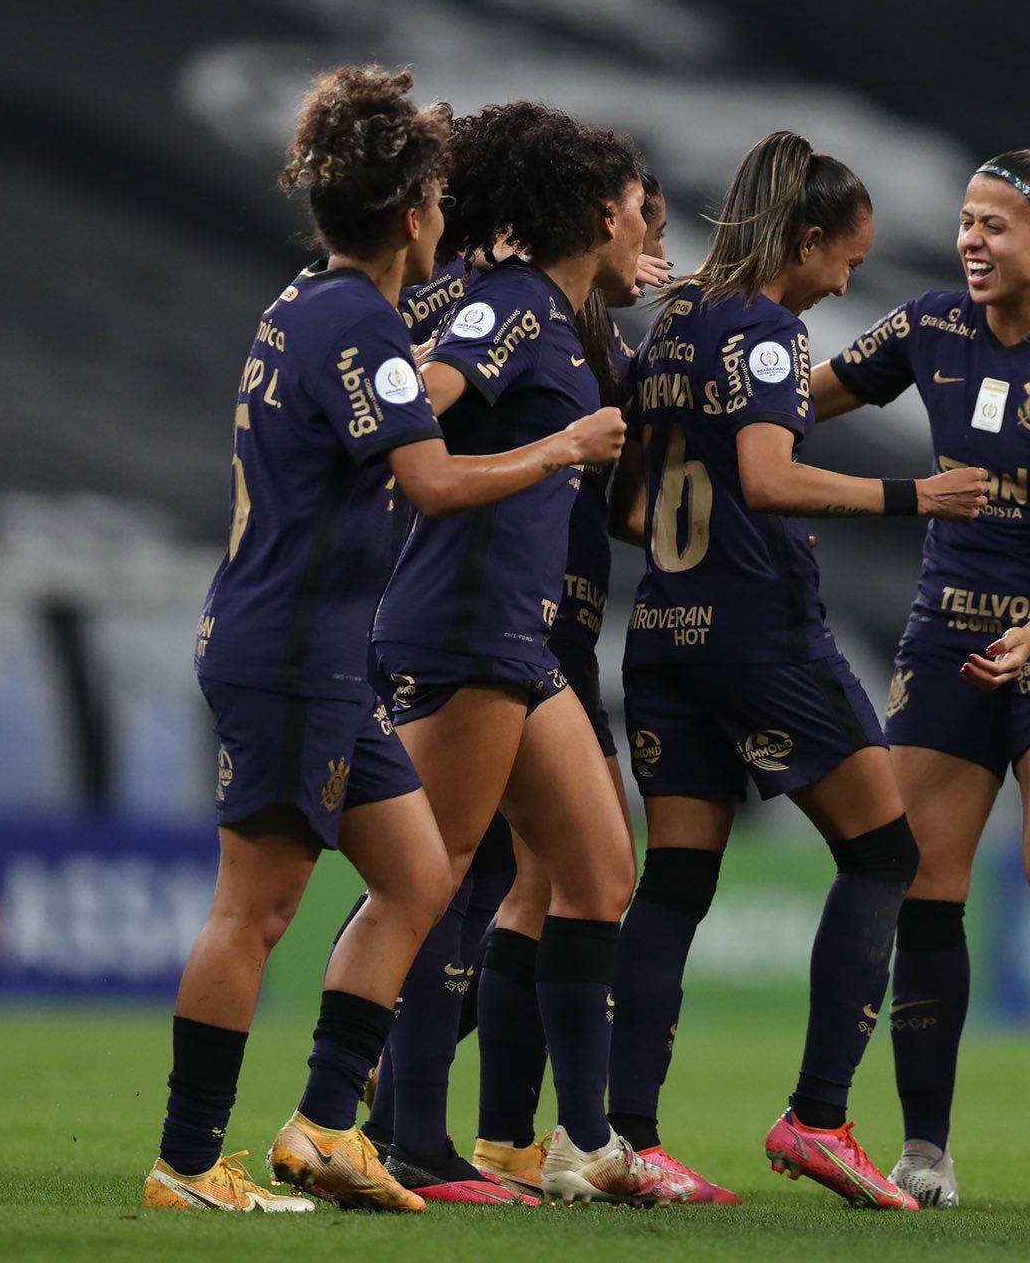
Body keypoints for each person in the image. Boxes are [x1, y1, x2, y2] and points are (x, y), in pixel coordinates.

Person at [145, 66, 624, 1214]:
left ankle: (326, 1125)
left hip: (319, 650)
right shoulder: (357, 322)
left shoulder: (305, 302)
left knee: (416, 875)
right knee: (252, 908)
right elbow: (432, 479)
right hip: (293, 649)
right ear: (415, 212)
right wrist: (557, 451)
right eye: (435, 202)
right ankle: (186, 1160)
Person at [604, 130, 989, 1211]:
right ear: (807, 240)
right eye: (845, 263)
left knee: (672, 883)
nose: (842, 284)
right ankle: (818, 1117)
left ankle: (629, 1139)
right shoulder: (766, 336)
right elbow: (771, 480)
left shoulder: (675, 319)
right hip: (760, 642)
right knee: (884, 856)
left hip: (664, 635)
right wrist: (916, 496)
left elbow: (629, 505)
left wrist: (709, 526)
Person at [808, 134, 1030, 1209]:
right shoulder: (928, 327)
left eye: (991, 225)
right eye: (964, 221)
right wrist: (723, 389)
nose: (967, 240)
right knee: (924, 878)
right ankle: (925, 1148)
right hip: (946, 632)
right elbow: (798, 399)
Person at [367, 101, 688, 1207]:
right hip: (461, 626)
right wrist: (550, 442)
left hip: (517, 635)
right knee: (437, 878)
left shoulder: (554, 314)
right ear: (602, 214)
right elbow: (422, 396)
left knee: (598, 873)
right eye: (639, 217)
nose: (648, 237)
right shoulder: (509, 309)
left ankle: (581, 1141)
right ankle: (408, 1139)